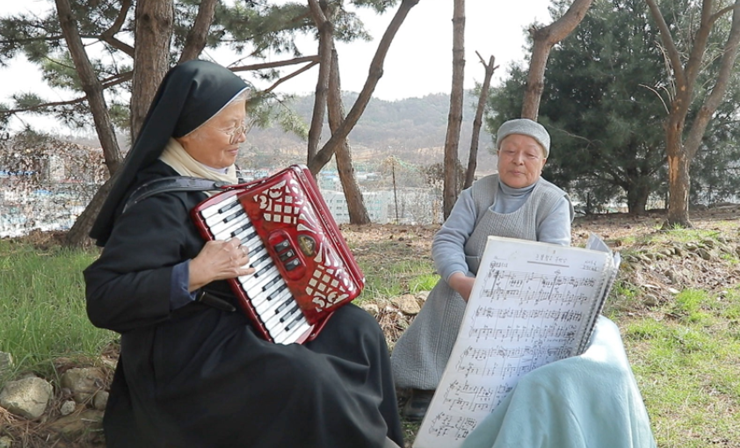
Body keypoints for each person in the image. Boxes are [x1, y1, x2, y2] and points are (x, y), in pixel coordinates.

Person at [84, 60, 404, 448]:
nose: (241, 137)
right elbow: (104, 300)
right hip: (185, 351)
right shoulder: (155, 203)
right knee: (302, 375)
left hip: (243, 319)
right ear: (186, 131)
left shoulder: (219, 183)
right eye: (228, 126)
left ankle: (378, 436)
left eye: (243, 124)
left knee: (357, 329)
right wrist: (193, 272)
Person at [390, 118, 574, 421]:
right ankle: (425, 386)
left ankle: (494, 390)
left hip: (526, 289)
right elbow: (449, 238)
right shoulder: (476, 193)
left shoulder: (552, 201)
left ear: (543, 161)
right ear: (499, 154)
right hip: (471, 282)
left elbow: (555, 255)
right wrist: (460, 279)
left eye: (529, 154)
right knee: (448, 300)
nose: (518, 160)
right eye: (509, 151)